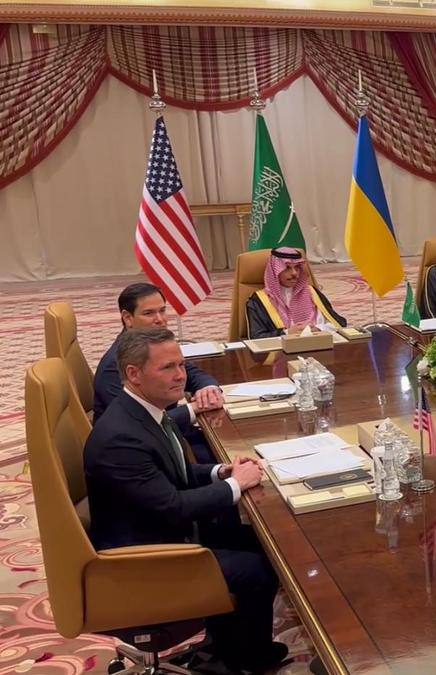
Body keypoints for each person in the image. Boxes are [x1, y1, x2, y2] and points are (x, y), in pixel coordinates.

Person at [84, 328, 288, 673]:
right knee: (255, 570)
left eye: (181, 365)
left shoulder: (144, 411)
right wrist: (236, 485)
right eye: (168, 367)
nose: (181, 376)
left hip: (159, 527)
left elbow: (171, 473)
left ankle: (227, 646)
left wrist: (221, 472)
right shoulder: (121, 437)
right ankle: (245, 661)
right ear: (133, 374)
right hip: (143, 558)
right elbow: (173, 506)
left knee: (257, 538)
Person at [93, 283, 222, 463]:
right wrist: (194, 408)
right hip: (142, 451)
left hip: (174, 434)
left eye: (162, 310)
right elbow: (139, 423)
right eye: (149, 313)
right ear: (128, 318)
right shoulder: (114, 366)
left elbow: (192, 373)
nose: (160, 319)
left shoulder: (155, 347)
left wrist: (208, 388)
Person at [246, 247, 346, 339]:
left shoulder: (312, 293)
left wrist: (318, 328)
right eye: (287, 268)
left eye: (297, 268)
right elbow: (256, 337)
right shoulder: (260, 300)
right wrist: (286, 332)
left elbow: (339, 323)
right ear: (274, 271)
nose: (294, 273)